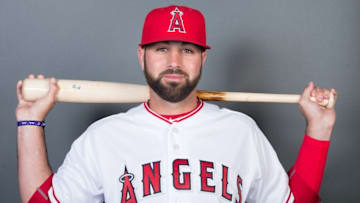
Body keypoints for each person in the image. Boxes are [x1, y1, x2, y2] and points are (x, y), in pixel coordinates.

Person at [16, 5, 337, 203]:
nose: (173, 61)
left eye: (187, 50)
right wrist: (30, 123)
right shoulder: (103, 137)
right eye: (161, 49)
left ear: (203, 58)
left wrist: (318, 130)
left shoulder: (241, 132)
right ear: (142, 55)